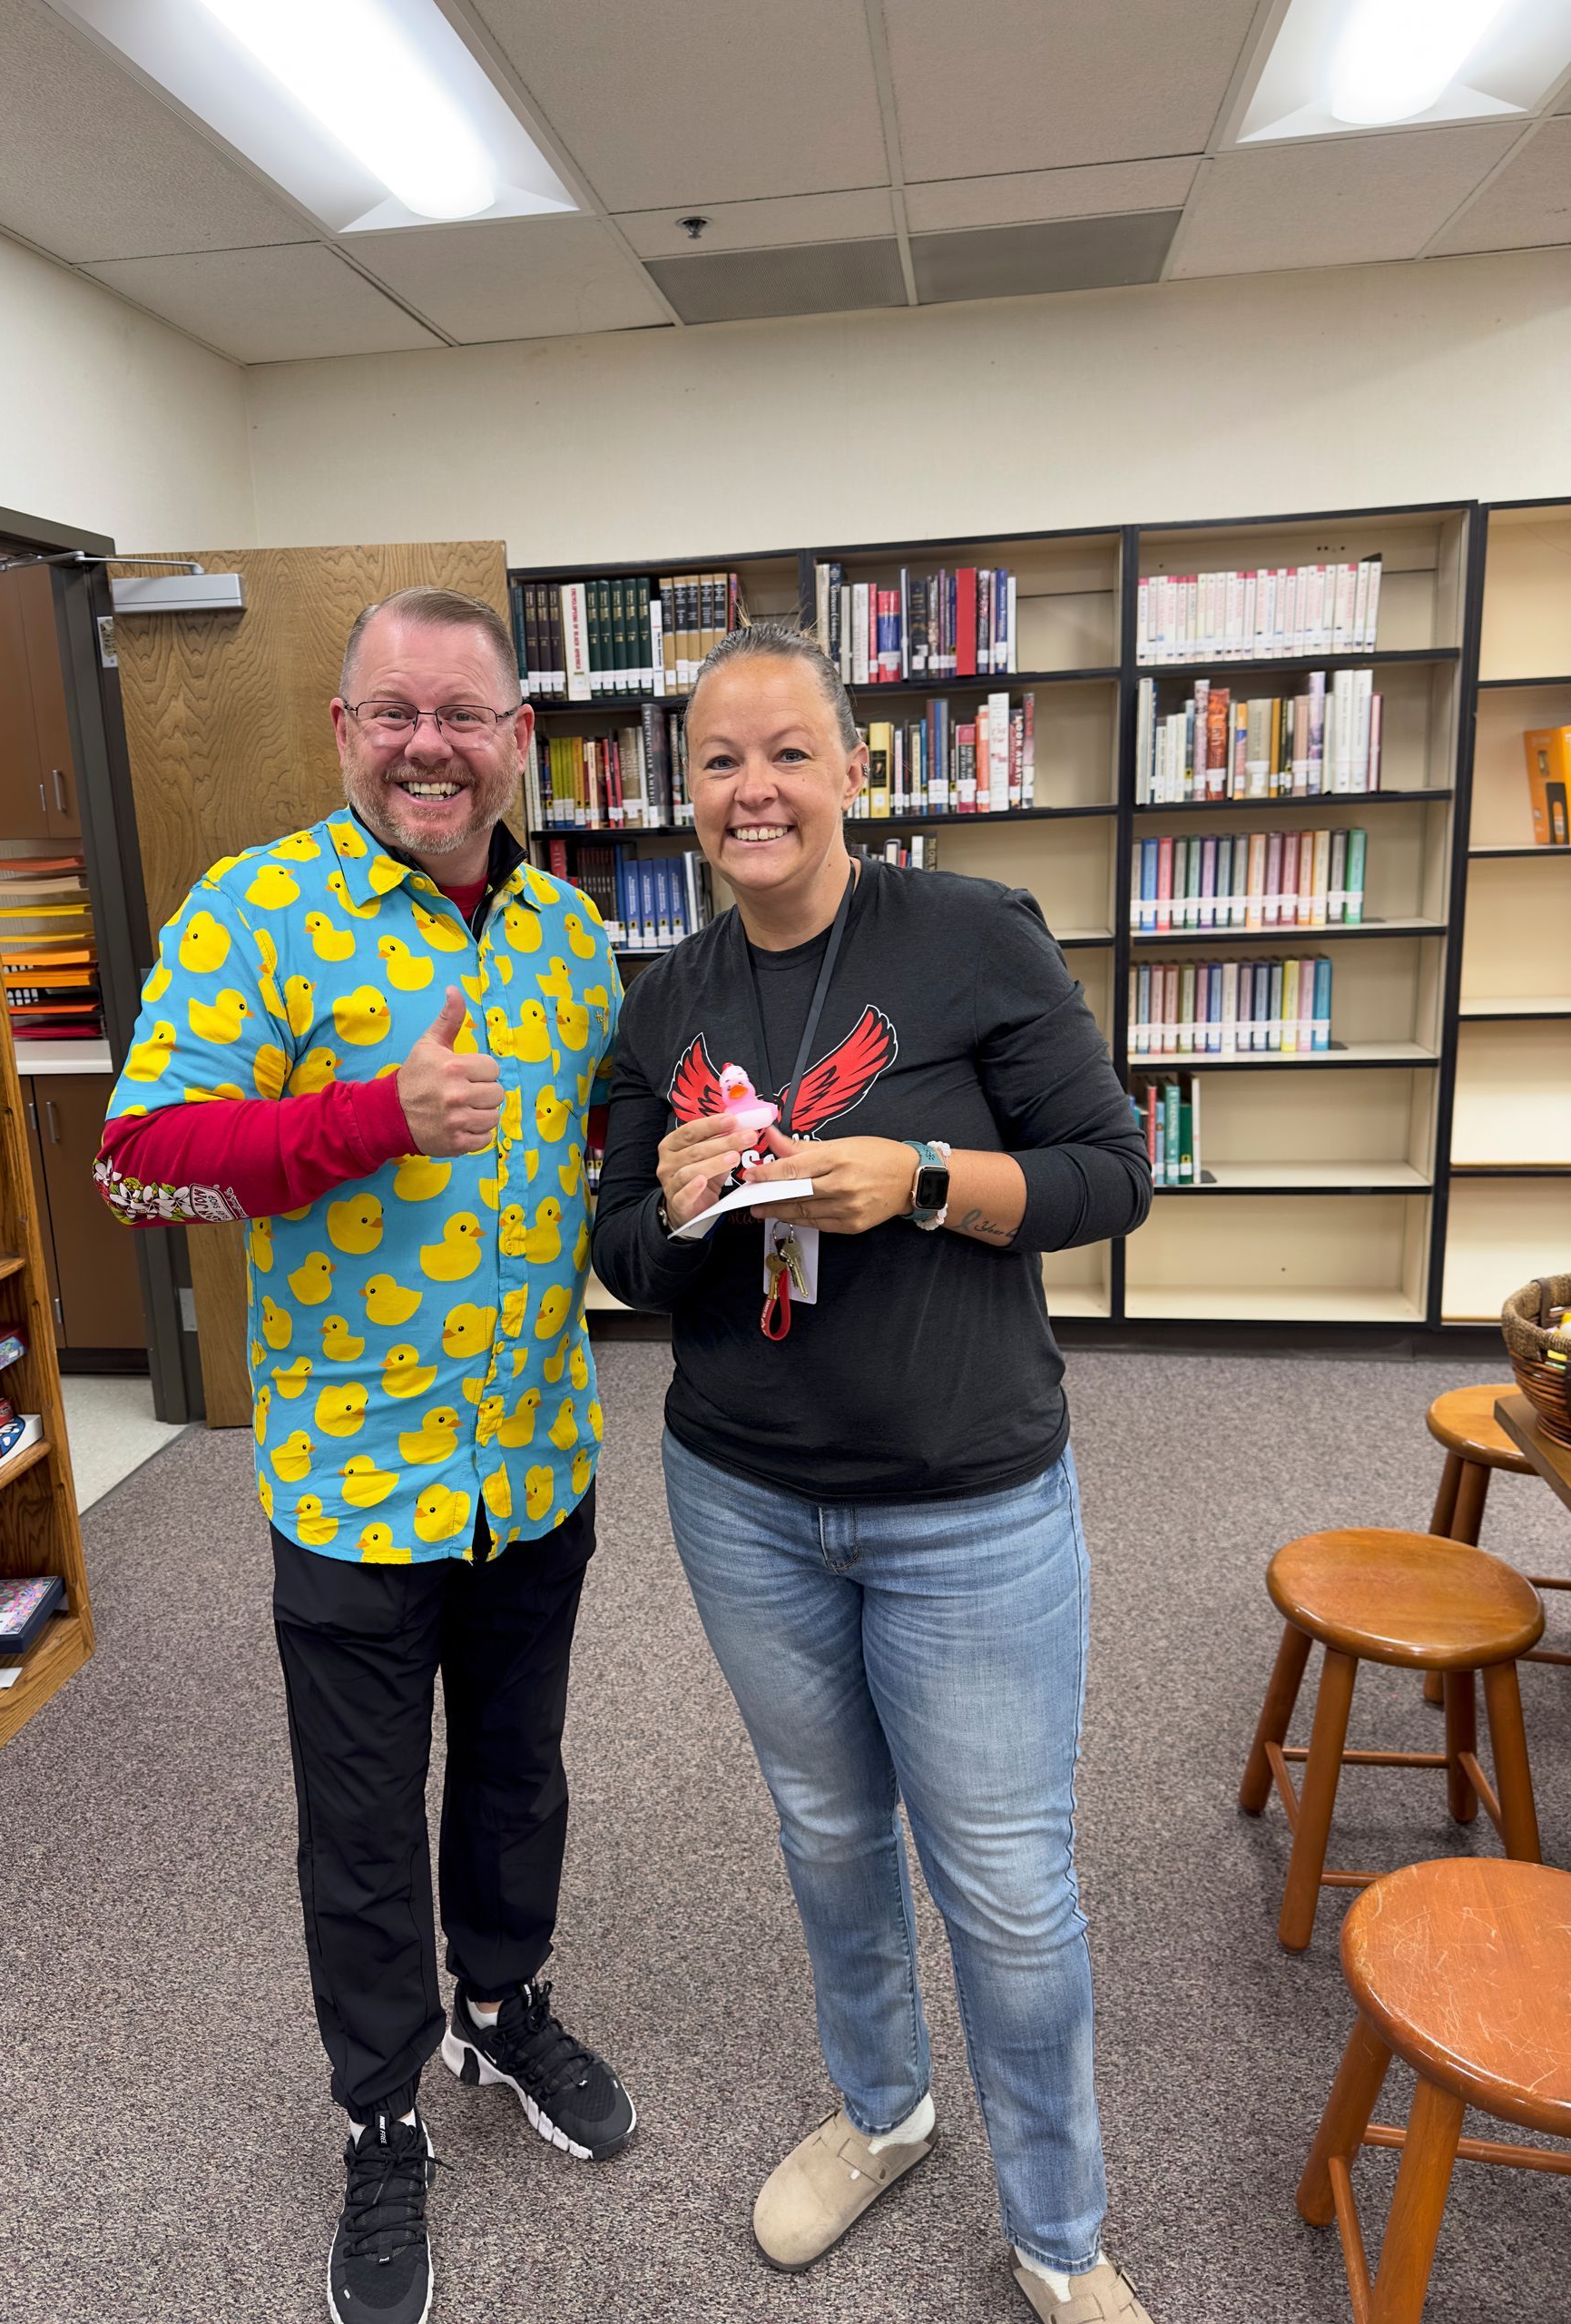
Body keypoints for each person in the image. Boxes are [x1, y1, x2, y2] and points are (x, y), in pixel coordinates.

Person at [591, 623, 1155, 2324]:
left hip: (967, 1505)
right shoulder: (663, 1001)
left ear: (854, 770)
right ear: (681, 796)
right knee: (831, 1831)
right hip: (744, 1498)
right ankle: (886, 2111)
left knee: (1004, 1882)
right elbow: (624, 1256)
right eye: (715, 762)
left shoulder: (972, 936)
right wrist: (685, 1206)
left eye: (785, 753)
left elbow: (1110, 1175)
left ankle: (1061, 2237)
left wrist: (918, 1175)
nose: (751, 789)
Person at [97, 586, 633, 2324]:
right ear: (342, 731)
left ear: (515, 745)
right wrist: (361, 1121)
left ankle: (504, 2006)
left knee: (517, 1778)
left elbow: (607, 1176)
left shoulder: (572, 944)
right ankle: (382, 2109)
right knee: (358, 1823)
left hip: (535, 1464)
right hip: (352, 1484)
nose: (429, 745)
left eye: (464, 715)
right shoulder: (257, 915)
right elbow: (142, 1162)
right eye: (395, 712)